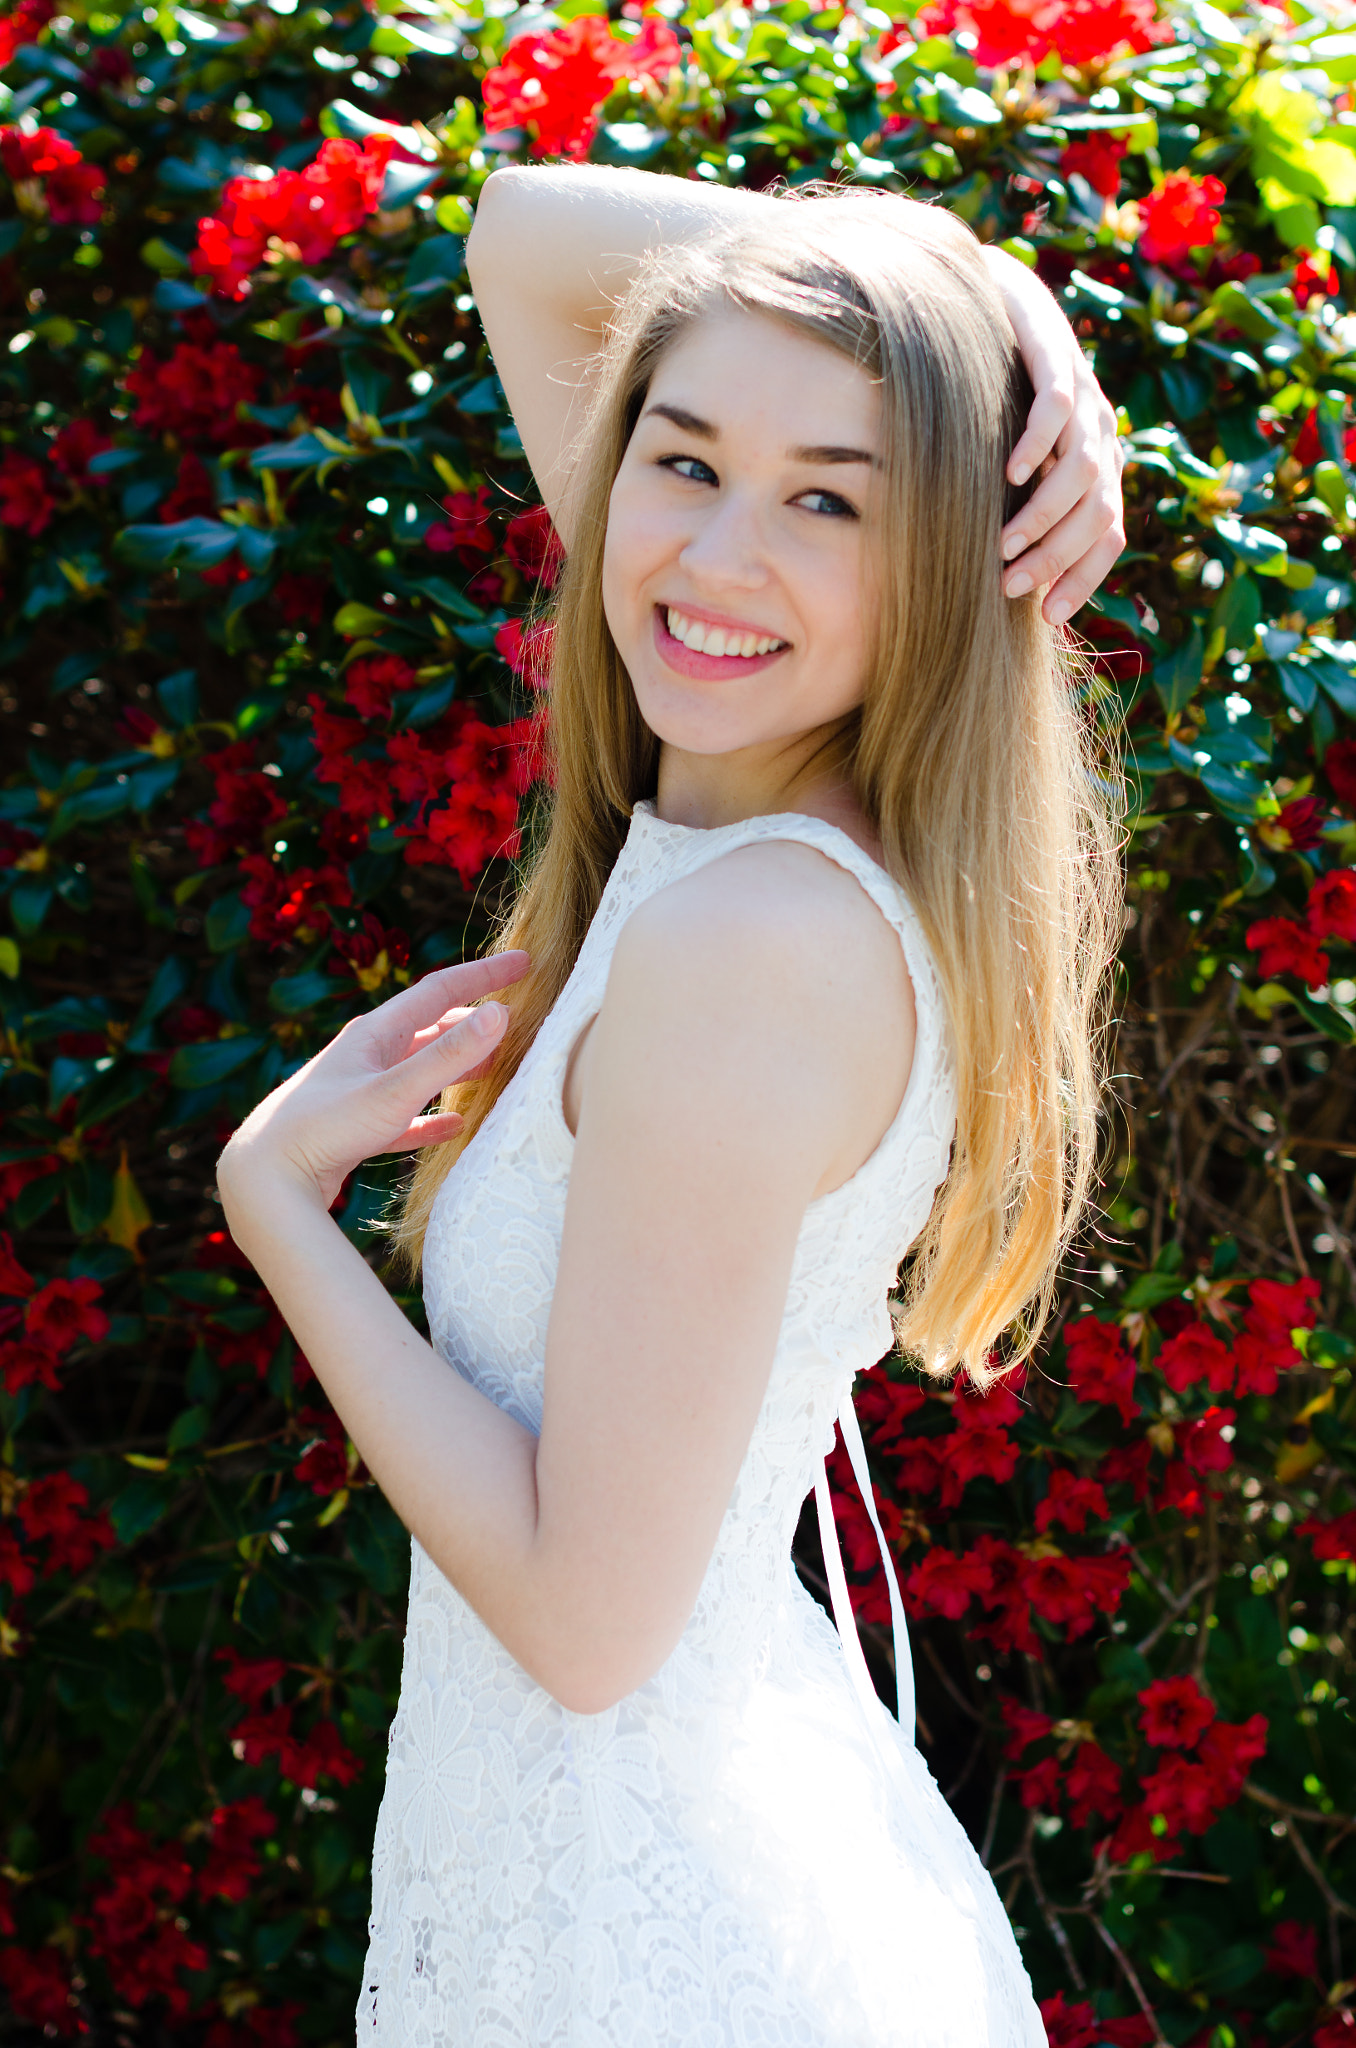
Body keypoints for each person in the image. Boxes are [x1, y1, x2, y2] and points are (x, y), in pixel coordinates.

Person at [216, 166, 1125, 2045]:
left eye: (829, 501)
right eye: (683, 459)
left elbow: (584, 1615)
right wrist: (995, 297)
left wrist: (276, 1209)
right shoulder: (747, 806)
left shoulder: (758, 939)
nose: (716, 557)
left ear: (949, 554)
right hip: (626, 1890)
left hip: (651, 1952)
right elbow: (528, 234)